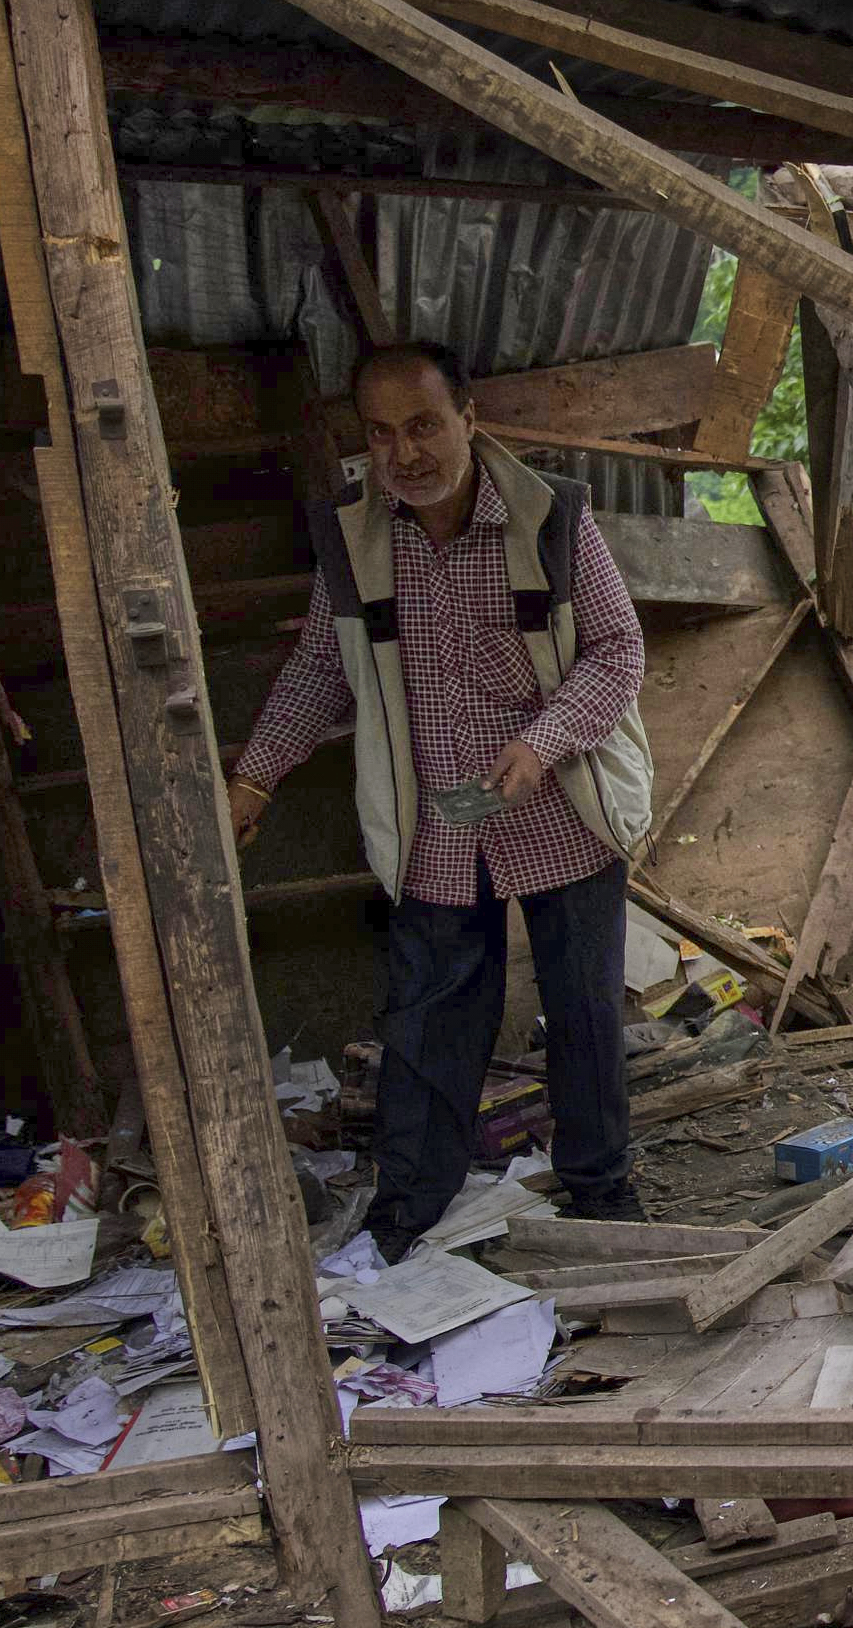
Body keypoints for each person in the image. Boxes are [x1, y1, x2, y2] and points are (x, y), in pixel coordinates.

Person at [229, 342, 657, 1259]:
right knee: (428, 1017)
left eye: (424, 425)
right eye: (381, 434)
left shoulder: (551, 517)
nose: (405, 453)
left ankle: (602, 1195)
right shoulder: (355, 541)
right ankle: (408, 1213)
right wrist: (256, 775)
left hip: (559, 803)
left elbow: (618, 652)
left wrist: (543, 742)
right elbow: (318, 669)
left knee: (582, 1010)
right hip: (436, 823)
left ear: (469, 418)